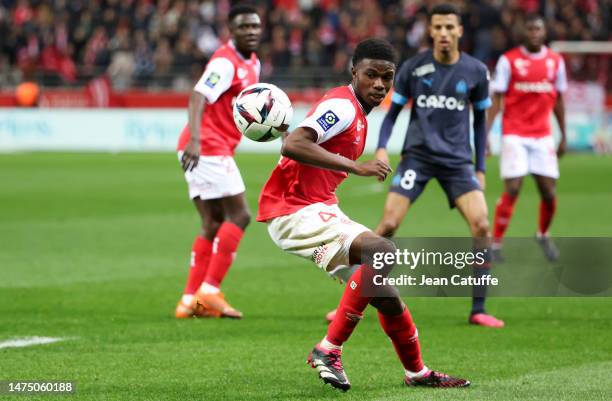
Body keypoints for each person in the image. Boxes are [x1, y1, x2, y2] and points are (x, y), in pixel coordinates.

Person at [257, 38, 469, 391]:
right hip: (294, 209)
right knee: (383, 251)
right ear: (353, 72)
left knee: (385, 293)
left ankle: (416, 371)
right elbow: (293, 143)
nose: (379, 84)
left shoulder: (356, 111)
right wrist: (355, 167)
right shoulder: (342, 106)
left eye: (387, 77)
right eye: (371, 75)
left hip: (316, 207)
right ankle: (329, 348)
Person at [329, 4, 502, 328]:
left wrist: (480, 167)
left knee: (481, 226)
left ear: (459, 31)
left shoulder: (476, 71)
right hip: (418, 158)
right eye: (438, 27)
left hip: (458, 162)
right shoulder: (412, 68)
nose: (444, 34)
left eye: (450, 27)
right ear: (430, 31)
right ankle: (352, 297)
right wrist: (381, 148)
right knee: (389, 224)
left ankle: (479, 309)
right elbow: (392, 114)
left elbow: (479, 122)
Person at [174, 4, 261, 319]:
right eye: (243, 27)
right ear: (231, 31)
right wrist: (197, 139)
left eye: (255, 26)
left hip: (210, 145)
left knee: (211, 222)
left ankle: (189, 302)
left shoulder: (253, 63)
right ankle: (209, 291)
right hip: (206, 145)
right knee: (240, 216)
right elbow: (198, 96)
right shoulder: (224, 62)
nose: (250, 32)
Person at [487, 14, 567, 262]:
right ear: (524, 32)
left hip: (542, 136)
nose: (534, 33)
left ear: (544, 33)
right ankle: (497, 242)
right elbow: (497, 99)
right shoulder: (509, 61)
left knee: (549, 192)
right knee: (512, 187)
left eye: (538, 29)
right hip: (514, 134)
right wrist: (487, 133)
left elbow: (559, 99)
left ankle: (543, 234)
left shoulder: (555, 62)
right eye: (530, 29)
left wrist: (562, 134)